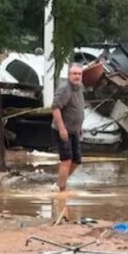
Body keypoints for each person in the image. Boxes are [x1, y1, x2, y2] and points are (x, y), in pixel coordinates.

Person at [51, 63, 85, 192]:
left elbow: (79, 107)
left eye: (79, 74)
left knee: (76, 160)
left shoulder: (80, 87)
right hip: (63, 130)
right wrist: (62, 129)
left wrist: (80, 126)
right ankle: (60, 189)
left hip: (74, 129)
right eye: (74, 74)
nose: (77, 76)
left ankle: (60, 183)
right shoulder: (64, 89)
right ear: (69, 75)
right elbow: (55, 108)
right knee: (66, 160)